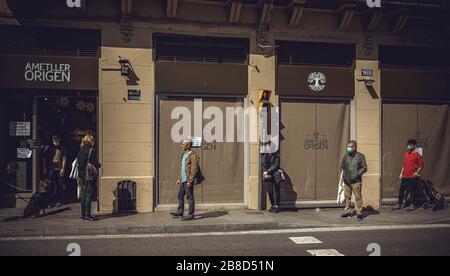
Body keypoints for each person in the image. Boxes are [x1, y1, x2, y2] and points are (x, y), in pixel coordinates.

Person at [170, 139, 199, 221]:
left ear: (188, 145)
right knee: (180, 195)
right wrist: (179, 178)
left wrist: (190, 180)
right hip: (183, 180)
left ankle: (191, 214)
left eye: (183, 144)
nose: (181, 146)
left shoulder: (192, 155)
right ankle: (180, 211)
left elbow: (194, 169)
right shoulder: (184, 154)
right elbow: (183, 168)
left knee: (189, 197)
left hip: (188, 180)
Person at [393, 139, 424, 211]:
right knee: (401, 190)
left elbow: (421, 165)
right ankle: (399, 204)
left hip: (412, 177)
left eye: (410, 145)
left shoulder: (417, 155)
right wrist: (401, 173)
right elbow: (404, 164)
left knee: (412, 191)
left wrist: (417, 172)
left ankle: (413, 205)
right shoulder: (406, 153)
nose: (408, 146)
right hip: (404, 176)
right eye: (408, 145)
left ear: (414, 146)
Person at [340, 140, 368, 221]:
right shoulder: (345, 156)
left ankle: (359, 213)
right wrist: (343, 174)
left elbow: (364, 168)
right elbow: (342, 166)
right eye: (347, 146)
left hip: (356, 181)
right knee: (347, 197)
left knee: (358, 197)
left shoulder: (360, 156)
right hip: (347, 181)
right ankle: (347, 212)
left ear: (354, 147)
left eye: (350, 147)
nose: (348, 148)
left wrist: (356, 174)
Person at [76, 135, 100, 222]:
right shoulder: (91, 150)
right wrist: (99, 165)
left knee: (83, 194)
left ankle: (83, 214)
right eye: (93, 140)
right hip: (88, 176)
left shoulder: (80, 151)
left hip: (81, 176)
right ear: (91, 141)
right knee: (89, 194)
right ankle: (88, 215)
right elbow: (95, 163)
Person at [42, 135, 67, 208]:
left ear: (59, 140)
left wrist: (63, 168)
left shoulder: (62, 148)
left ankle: (58, 201)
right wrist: (44, 167)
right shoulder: (48, 148)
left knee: (59, 185)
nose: (55, 142)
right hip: (50, 169)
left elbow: (64, 159)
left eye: (57, 140)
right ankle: (50, 201)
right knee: (50, 186)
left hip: (58, 169)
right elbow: (44, 158)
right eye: (54, 140)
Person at [261, 141, 281, 213]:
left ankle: (276, 206)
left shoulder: (276, 155)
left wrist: (268, 171)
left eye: (268, 146)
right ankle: (272, 205)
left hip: (275, 175)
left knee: (276, 191)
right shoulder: (264, 155)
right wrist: (265, 172)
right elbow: (262, 165)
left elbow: (276, 165)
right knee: (270, 191)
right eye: (266, 146)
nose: (267, 147)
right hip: (267, 175)